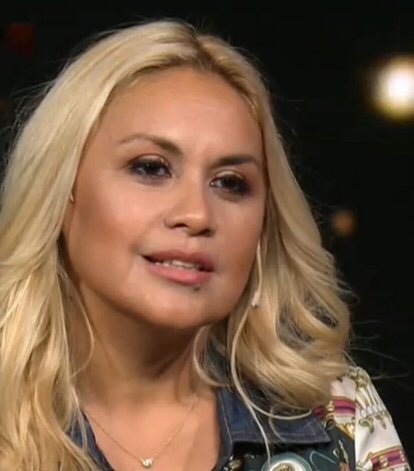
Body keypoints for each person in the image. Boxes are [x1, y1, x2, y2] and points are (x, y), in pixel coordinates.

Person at [0, 18, 409, 471]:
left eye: (230, 182)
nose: (197, 214)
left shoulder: (338, 416)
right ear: (63, 190)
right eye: (151, 168)